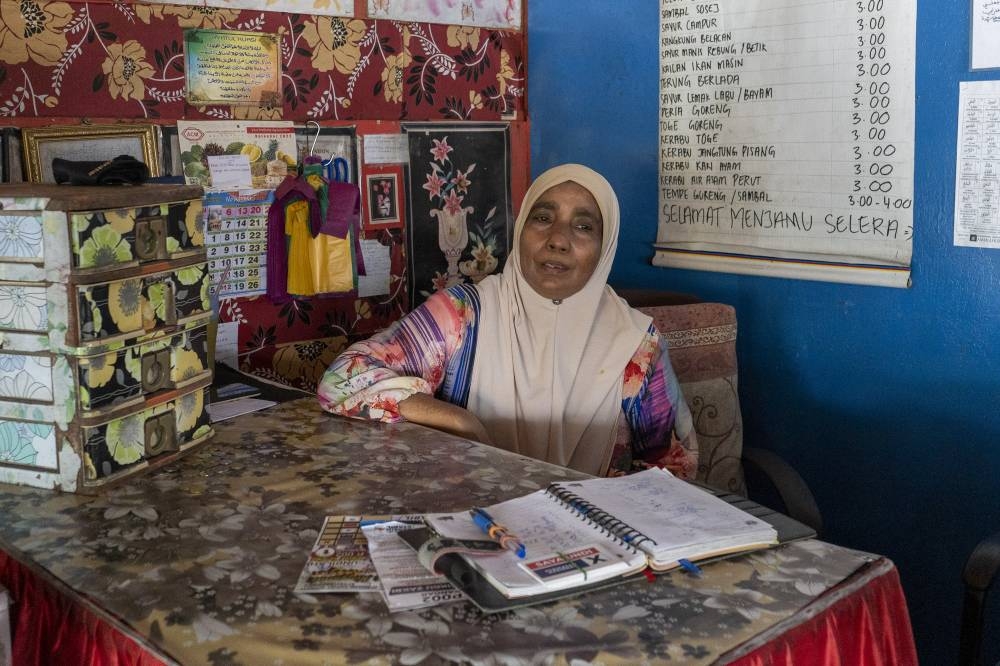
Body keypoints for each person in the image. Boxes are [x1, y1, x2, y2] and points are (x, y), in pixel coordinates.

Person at [318, 164, 697, 478]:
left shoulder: (636, 343)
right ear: (520, 231)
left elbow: (672, 467)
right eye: (543, 218)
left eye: (583, 226)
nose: (558, 239)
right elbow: (342, 378)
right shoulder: (465, 314)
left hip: (599, 540)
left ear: (605, 246)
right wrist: (460, 423)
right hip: (477, 518)